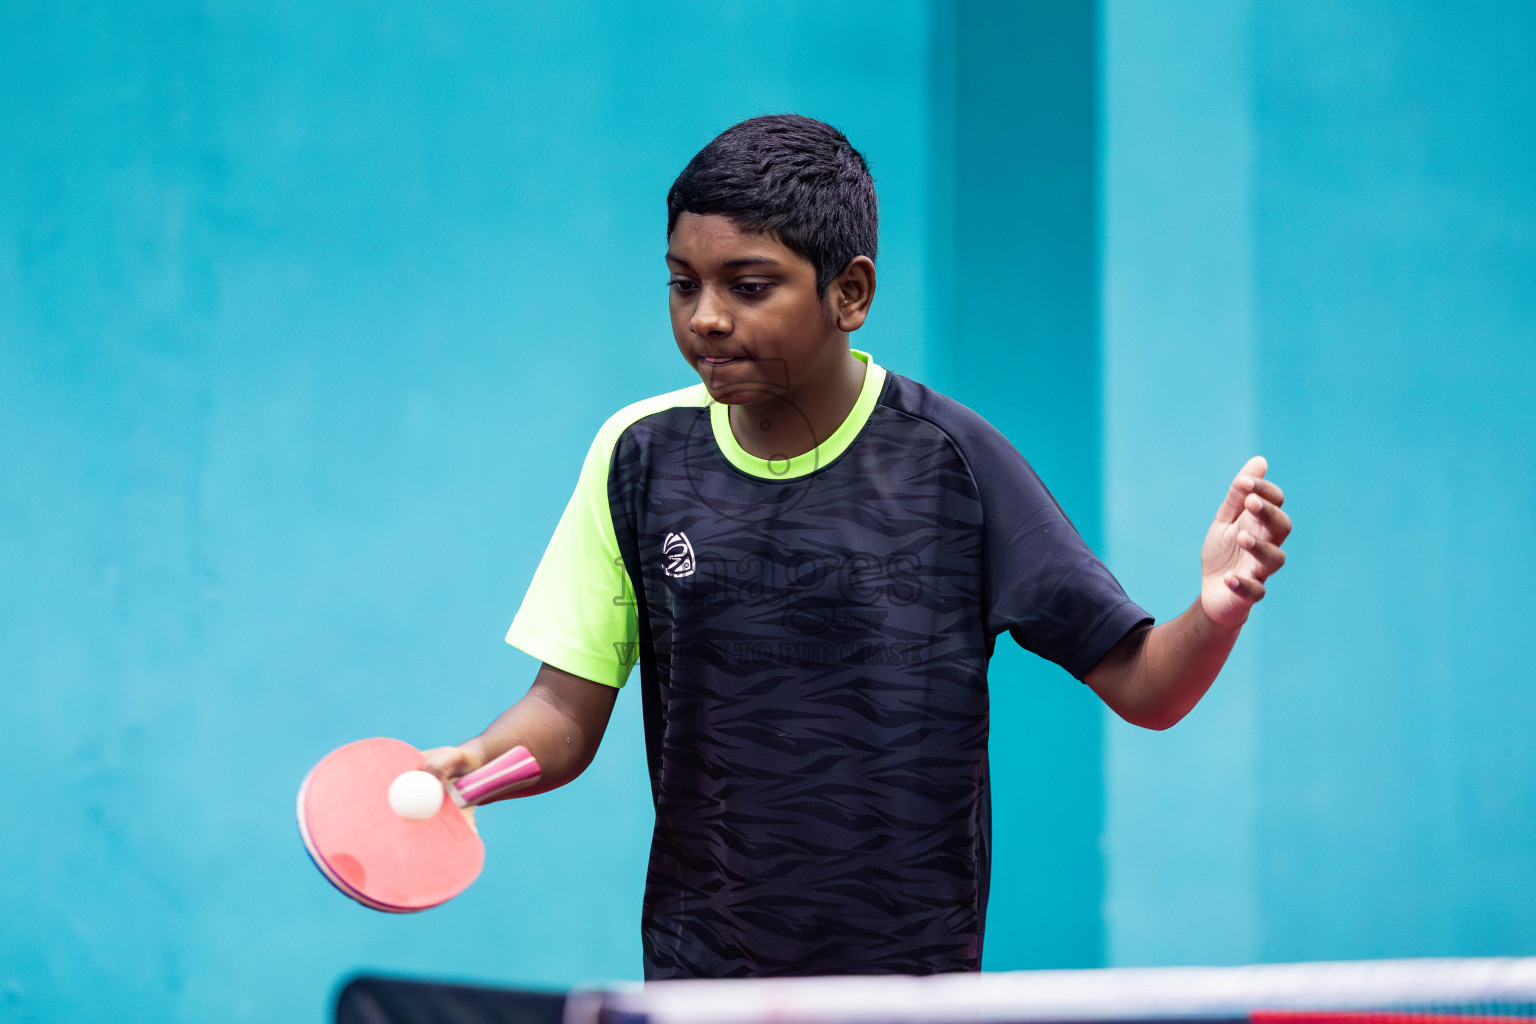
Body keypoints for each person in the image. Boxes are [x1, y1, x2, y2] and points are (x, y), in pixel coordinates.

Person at [420, 114, 1291, 979]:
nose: (707, 319)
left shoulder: (952, 460)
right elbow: (566, 714)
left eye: (748, 286)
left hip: (909, 992)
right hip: (701, 986)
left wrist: (1215, 612)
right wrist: (474, 767)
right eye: (683, 285)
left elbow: (1148, 686)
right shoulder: (638, 456)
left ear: (851, 292)